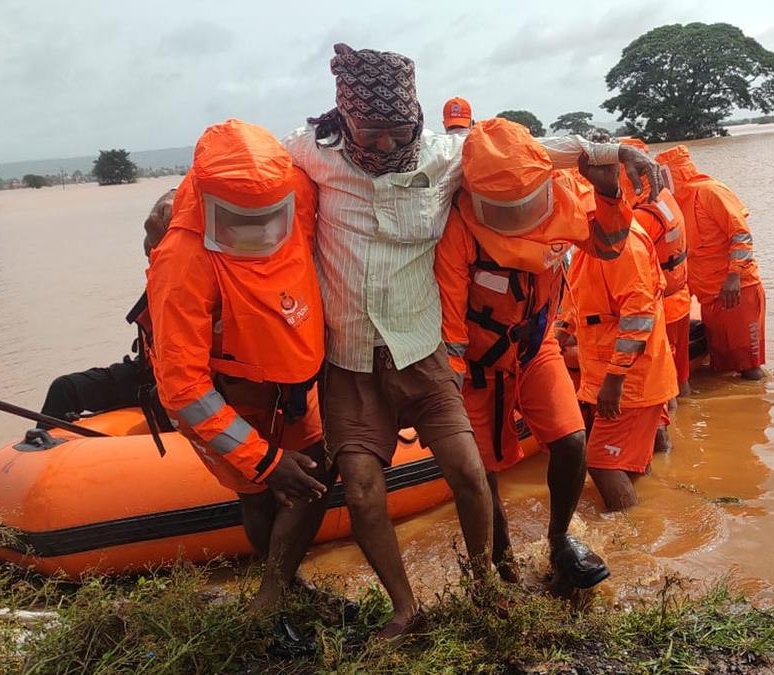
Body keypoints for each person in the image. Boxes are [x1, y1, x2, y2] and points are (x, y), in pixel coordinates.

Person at [283, 43, 661, 637]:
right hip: (382, 358)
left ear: (417, 120)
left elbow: (534, 153)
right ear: (347, 120)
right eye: (371, 132)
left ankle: (546, 546)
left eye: (398, 131)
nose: (386, 146)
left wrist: (615, 154)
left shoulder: (448, 159)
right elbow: (255, 171)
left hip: (478, 349)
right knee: (452, 472)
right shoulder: (314, 156)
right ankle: (484, 574)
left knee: (560, 443)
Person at [146, 119, 331, 653]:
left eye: (267, 217)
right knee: (259, 488)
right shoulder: (183, 258)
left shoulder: (294, 191)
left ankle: (282, 582)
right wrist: (264, 458)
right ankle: (272, 594)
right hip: (227, 394)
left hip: (292, 384)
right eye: (241, 221)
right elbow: (182, 386)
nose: (256, 232)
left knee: (317, 471)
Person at [435, 119, 633, 588]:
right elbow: (450, 324)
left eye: (527, 203)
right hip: (479, 367)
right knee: (480, 471)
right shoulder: (458, 228)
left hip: (535, 347)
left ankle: (560, 539)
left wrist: (609, 195)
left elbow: (609, 246)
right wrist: (449, 387)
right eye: (505, 209)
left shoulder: (563, 193)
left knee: (571, 441)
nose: (519, 216)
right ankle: (501, 562)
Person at [557, 213, 678, 511]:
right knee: (624, 463)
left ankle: (630, 540)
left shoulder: (624, 246)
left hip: (630, 378)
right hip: (605, 370)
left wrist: (615, 378)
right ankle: (644, 517)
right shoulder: (591, 245)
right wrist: (561, 331)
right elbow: (579, 297)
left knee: (601, 463)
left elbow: (638, 316)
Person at [38, 189, 176, 426]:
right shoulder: (162, 263)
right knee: (64, 389)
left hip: (188, 376)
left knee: (164, 402)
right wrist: (168, 202)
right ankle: (40, 455)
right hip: (147, 369)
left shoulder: (218, 263)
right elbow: (164, 210)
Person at [655, 145, 765, 381]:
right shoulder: (672, 204)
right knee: (722, 365)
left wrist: (734, 276)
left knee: (749, 367)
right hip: (707, 294)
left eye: (663, 175)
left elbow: (741, 235)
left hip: (736, 290)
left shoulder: (710, 191)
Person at [619, 137, 692, 409]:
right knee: (680, 379)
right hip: (679, 297)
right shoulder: (664, 197)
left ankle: (673, 441)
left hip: (662, 307)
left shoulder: (644, 213)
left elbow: (625, 263)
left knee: (663, 386)